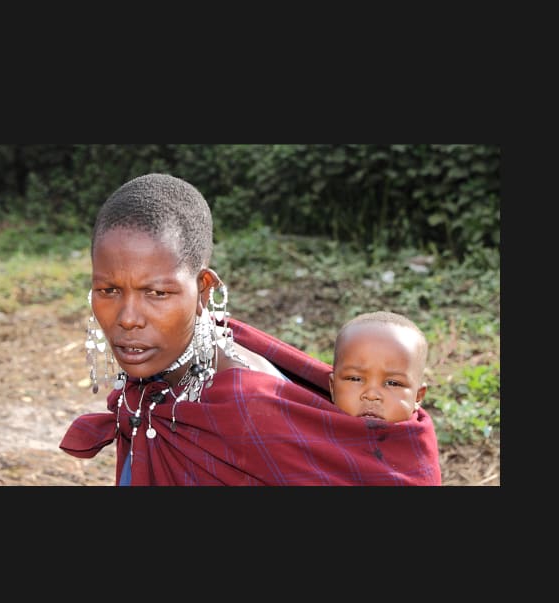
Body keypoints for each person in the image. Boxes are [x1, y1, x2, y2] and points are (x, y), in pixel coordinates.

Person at [60, 173, 441, 485]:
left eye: (157, 292)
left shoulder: (248, 406)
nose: (127, 317)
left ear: (204, 290)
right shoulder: (160, 378)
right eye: (108, 290)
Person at [329, 311, 428, 423]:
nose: (372, 395)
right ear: (333, 388)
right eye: (355, 379)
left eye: (393, 383)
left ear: (418, 397)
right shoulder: (313, 433)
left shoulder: (417, 439)